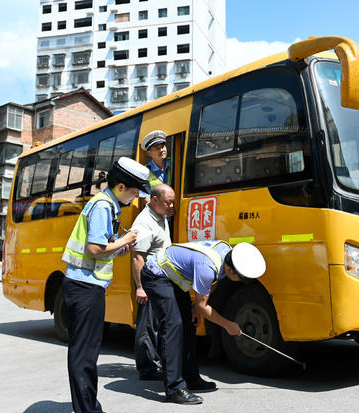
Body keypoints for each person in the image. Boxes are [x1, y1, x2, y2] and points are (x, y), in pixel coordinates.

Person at [61, 157, 150, 413]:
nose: (135, 198)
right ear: (121, 187)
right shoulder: (102, 206)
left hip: (87, 287)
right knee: (85, 355)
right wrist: (126, 240)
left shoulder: (107, 205)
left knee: (86, 352)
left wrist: (120, 247)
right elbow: (94, 249)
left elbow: (101, 250)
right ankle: (87, 409)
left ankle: (89, 406)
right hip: (85, 288)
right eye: (134, 191)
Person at [141, 241, 266, 405]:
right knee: (173, 325)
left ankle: (190, 378)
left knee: (188, 324)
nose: (239, 281)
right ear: (230, 270)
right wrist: (228, 324)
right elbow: (203, 304)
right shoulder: (209, 267)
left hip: (174, 277)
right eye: (240, 278)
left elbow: (205, 293)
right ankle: (174, 388)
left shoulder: (227, 254)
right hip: (155, 275)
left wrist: (196, 308)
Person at [130, 184, 175, 381]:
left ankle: (154, 363)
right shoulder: (144, 222)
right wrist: (140, 287)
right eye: (168, 202)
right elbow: (137, 257)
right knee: (147, 326)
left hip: (160, 280)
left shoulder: (161, 216)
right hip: (148, 281)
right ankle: (147, 369)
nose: (172, 206)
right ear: (154, 200)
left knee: (156, 324)